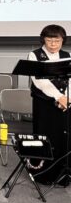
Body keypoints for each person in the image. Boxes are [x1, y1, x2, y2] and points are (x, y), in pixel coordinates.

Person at [28, 24, 70, 186]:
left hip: (65, 103)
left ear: (62, 41)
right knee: (45, 135)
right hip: (44, 103)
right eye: (49, 40)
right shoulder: (34, 55)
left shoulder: (67, 55)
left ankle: (62, 174)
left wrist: (67, 98)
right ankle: (43, 174)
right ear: (43, 40)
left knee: (64, 137)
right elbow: (40, 82)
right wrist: (58, 97)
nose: (53, 44)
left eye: (57, 41)